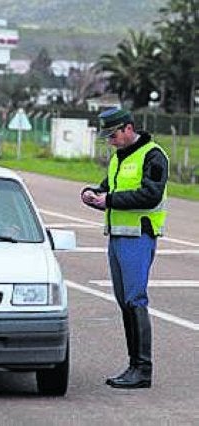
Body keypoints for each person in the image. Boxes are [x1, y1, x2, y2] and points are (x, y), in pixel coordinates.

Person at [81, 108, 168, 389]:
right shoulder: (120, 157)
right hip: (117, 236)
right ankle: (133, 365)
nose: (110, 140)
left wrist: (108, 200)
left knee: (134, 300)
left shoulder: (153, 155)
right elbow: (109, 187)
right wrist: (92, 192)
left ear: (129, 128)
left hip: (138, 236)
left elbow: (151, 194)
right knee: (124, 301)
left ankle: (142, 368)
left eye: (114, 134)